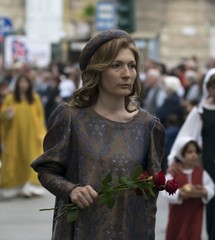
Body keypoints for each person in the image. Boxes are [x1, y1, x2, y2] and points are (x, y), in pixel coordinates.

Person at [31, 29, 165, 240]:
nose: (127, 74)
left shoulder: (148, 125)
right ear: (97, 70)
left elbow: (150, 194)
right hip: (81, 231)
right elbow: (47, 170)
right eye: (116, 65)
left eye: (131, 66)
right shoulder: (71, 118)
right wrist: (71, 190)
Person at [167, 67, 215, 240]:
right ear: (208, 88)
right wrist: (175, 159)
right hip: (214, 166)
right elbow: (186, 136)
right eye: (214, 87)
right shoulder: (200, 112)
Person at [0, 73, 46, 199]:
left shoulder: (35, 98)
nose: (23, 85)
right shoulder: (11, 98)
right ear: (17, 84)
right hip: (15, 136)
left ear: (29, 84)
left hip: (31, 135)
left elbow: (40, 117)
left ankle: (30, 187)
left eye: (25, 82)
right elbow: (3, 115)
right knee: (14, 158)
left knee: (30, 158)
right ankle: (14, 187)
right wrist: (7, 113)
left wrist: (41, 133)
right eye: (21, 82)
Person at [162, 136, 215, 240]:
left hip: (195, 215)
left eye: (196, 152)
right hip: (178, 216)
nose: (194, 155)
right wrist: (179, 193)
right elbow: (165, 190)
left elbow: (211, 187)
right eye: (189, 152)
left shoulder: (201, 173)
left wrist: (205, 191)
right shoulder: (174, 174)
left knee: (194, 234)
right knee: (176, 234)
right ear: (181, 154)